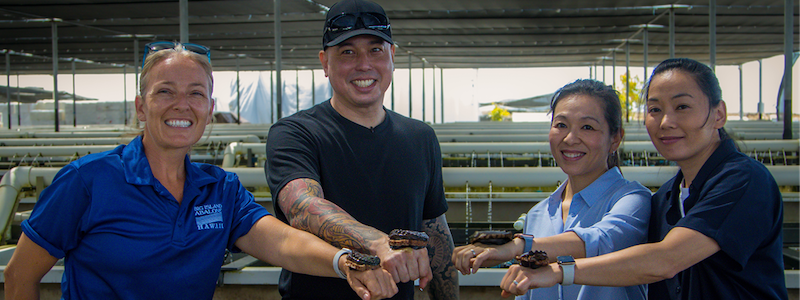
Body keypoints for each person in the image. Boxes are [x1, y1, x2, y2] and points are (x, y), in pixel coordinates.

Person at [3, 42, 397, 300]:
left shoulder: (219, 189)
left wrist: (345, 261)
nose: (181, 105)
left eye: (195, 93)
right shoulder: (87, 181)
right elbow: (20, 278)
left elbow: (282, 244)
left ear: (210, 109)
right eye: (165, 92)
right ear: (141, 107)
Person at [499, 58, 788, 300]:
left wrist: (559, 270)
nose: (666, 122)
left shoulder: (744, 181)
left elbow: (665, 260)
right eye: (654, 109)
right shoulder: (665, 198)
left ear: (719, 114)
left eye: (682, 107)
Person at [264, 0, 458, 299]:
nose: (363, 64)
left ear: (392, 56)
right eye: (347, 52)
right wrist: (378, 243)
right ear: (325, 63)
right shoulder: (295, 133)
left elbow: (435, 232)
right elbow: (302, 206)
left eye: (375, 50)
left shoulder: (420, 137)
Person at [452, 79, 651, 300]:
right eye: (561, 125)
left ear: (615, 139)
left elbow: (603, 240)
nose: (570, 138)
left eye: (587, 127)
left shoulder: (633, 200)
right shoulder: (539, 214)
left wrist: (516, 246)